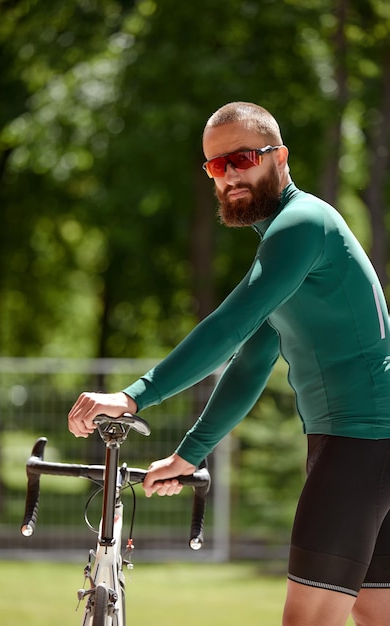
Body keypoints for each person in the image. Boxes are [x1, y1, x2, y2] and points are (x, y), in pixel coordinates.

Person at [68, 101, 390, 626]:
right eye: (217, 166)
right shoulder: (291, 239)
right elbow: (253, 359)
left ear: (279, 156)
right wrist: (191, 453)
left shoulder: (300, 224)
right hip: (373, 447)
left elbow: (228, 325)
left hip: (358, 447)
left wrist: (132, 396)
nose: (230, 175)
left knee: (308, 621)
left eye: (243, 158)